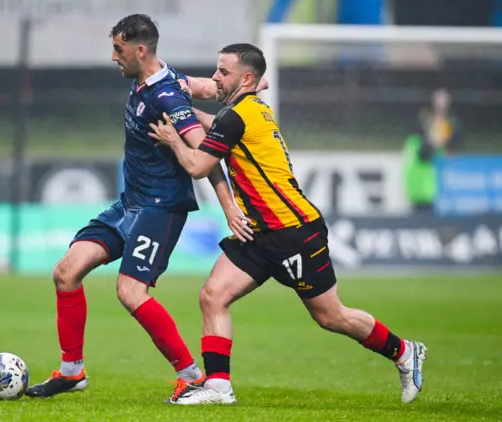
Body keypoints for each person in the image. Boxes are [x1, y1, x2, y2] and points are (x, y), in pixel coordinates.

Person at [149, 43, 427, 405]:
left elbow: (198, 167)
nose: (216, 78)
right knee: (213, 295)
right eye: (216, 70)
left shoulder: (238, 116)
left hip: (294, 232)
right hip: (259, 232)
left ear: (246, 78)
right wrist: (186, 113)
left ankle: (404, 352)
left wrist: (173, 138)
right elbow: (217, 125)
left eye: (223, 72)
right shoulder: (250, 110)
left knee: (330, 316)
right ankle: (218, 386)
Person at [25, 14, 243, 403]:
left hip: (161, 208)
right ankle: (72, 372)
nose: (113, 57)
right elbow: (206, 85)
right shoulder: (161, 79)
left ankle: (191, 376)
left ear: (140, 50)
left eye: (118, 49)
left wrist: (228, 208)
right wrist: (240, 86)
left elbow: (205, 157)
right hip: (131, 204)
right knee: (66, 272)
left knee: (130, 291)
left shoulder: (166, 97)